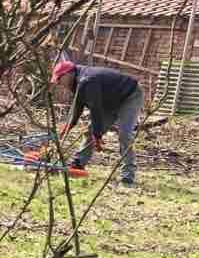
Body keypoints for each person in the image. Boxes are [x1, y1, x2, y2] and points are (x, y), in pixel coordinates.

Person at [51, 57, 144, 187]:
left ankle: (127, 177)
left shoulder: (88, 80)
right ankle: (78, 164)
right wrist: (68, 126)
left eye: (59, 79)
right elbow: (78, 106)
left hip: (130, 96)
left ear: (68, 74)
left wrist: (98, 135)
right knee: (90, 132)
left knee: (124, 134)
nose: (59, 83)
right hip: (111, 99)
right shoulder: (76, 81)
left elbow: (96, 109)